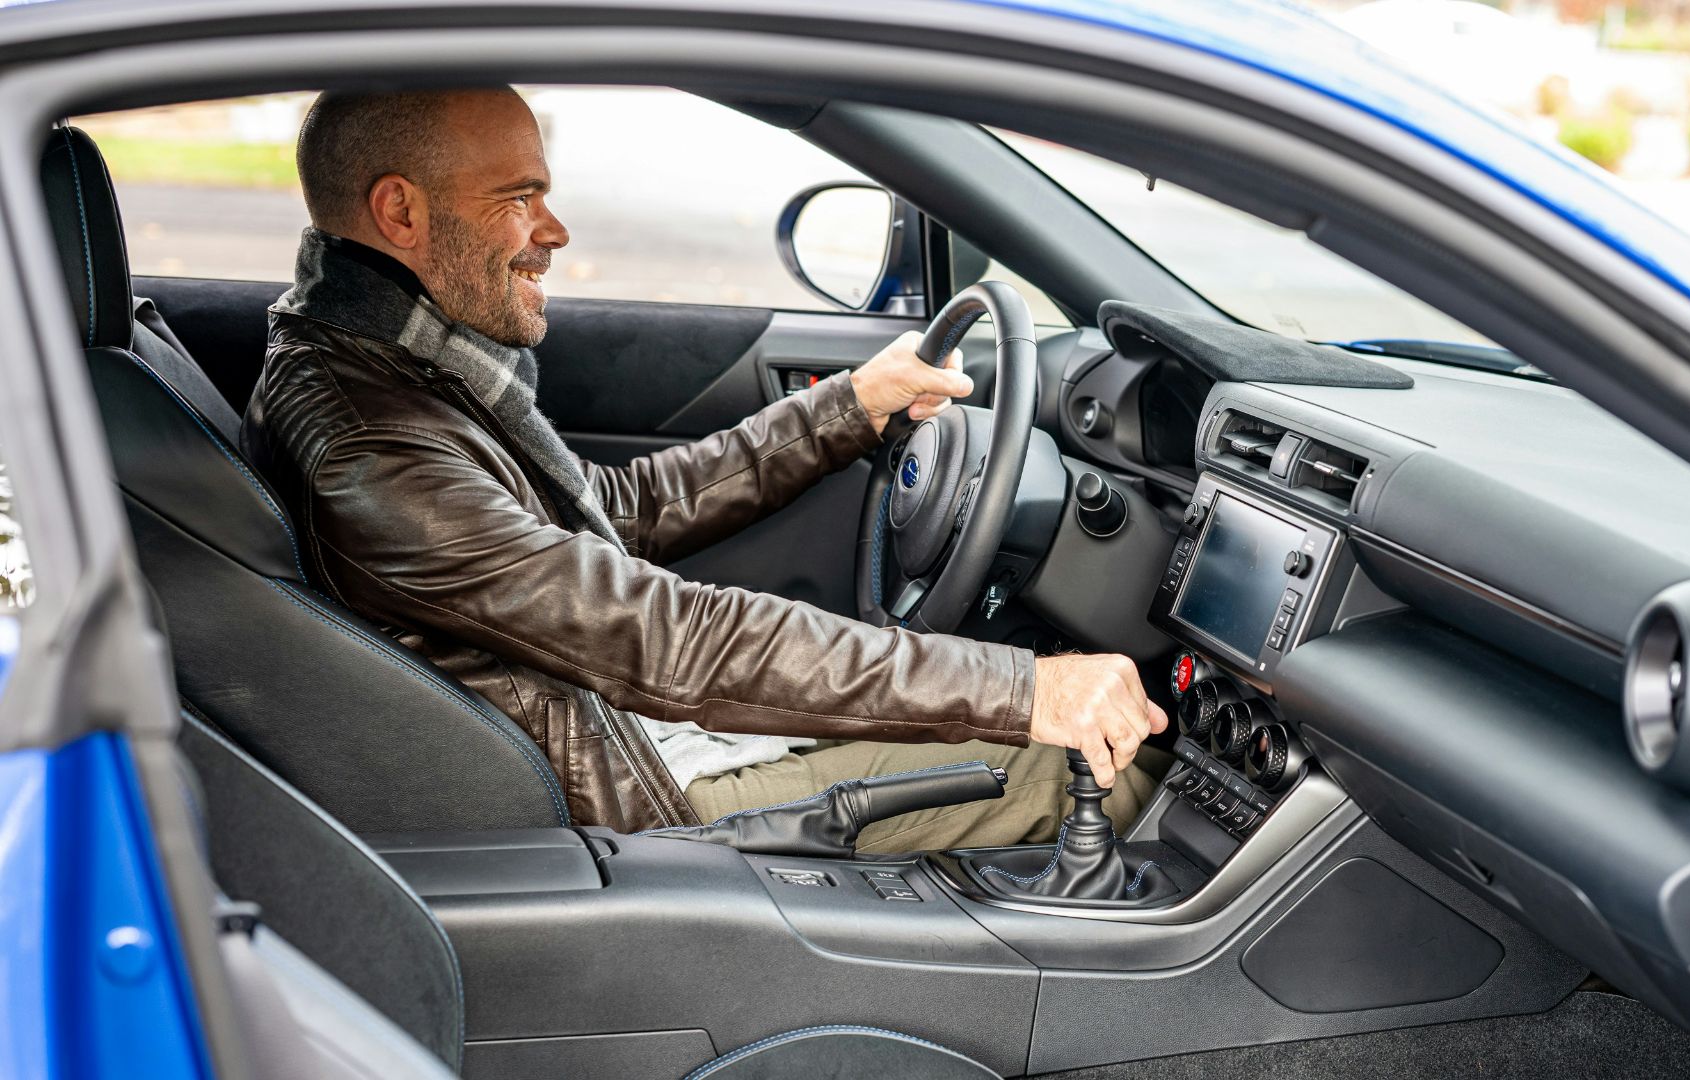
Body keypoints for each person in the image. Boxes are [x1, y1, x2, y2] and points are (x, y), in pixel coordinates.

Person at [242, 86, 1165, 852]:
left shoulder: (394, 368)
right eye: (517, 197)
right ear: (401, 210)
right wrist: (1023, 689)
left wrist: (845, 409)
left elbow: (608, 511)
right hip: (634, 797)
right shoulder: (374, 447)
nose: (552, 230)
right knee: (1094, 773)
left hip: (619, 735)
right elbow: (660, 637)